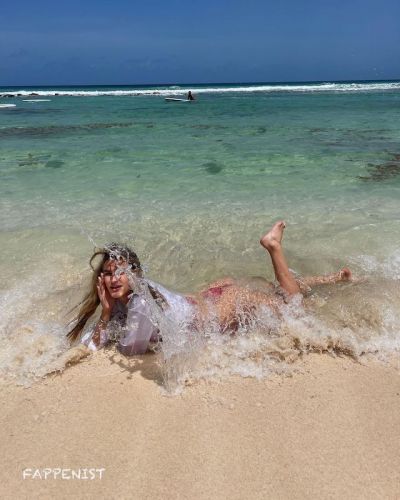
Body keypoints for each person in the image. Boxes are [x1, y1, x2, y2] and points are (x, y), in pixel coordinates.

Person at [67, 221, 352, 355]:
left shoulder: (140, 304)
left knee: (295, 308)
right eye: (108, 274)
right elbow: (87, 344)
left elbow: (129, 349)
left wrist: (106, 316)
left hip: (222, 308)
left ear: (135, 275)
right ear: (100, 279)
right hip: (210, 296)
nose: (114, 279)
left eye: (121, 272)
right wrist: (106, 313)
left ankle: (273, 247)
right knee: (276, 291)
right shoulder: (132, 297)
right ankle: (330, 280)